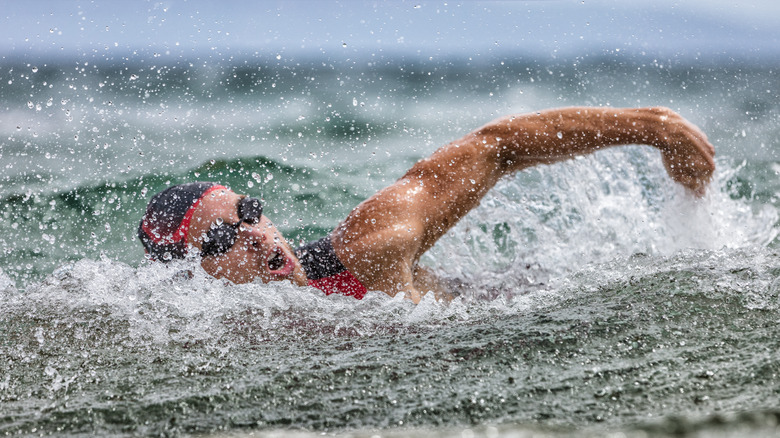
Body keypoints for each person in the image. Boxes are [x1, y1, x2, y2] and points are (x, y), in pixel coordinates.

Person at [138, 107, 715, 303]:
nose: (257, 236)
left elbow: (494, 148)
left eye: (249, 212)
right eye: (220, 241)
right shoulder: (195, 333)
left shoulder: (367, 250)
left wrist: (653, 127)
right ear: (190, 276)